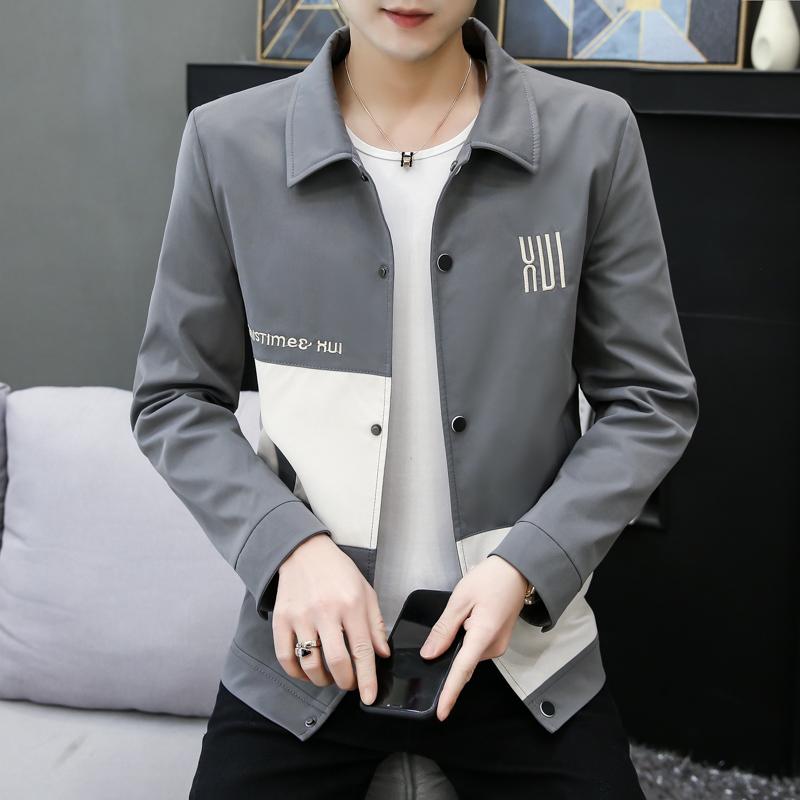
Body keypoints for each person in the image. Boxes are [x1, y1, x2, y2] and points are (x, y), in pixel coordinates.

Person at [130, 2, 699, 798]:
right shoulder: (226, 143)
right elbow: (174, 397)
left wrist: (528, 566)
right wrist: (289, 550)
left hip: (524, 654)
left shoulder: (592, 134)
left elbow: (649, 399)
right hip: (304, 657)